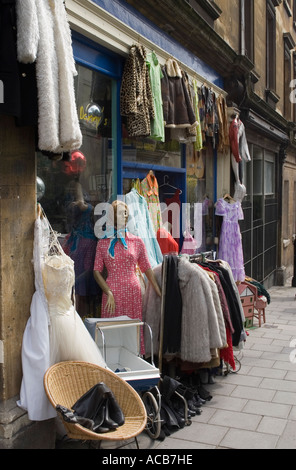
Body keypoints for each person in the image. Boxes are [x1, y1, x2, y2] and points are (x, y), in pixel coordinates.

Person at [93, 201, 161, 324]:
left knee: (132, 329)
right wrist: (107, 291)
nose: (124, 215)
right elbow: (96, 272)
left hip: (133, 291)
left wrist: (158, 290)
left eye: (125, 213)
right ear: (112, 216)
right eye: (120, 213)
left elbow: (146, 267)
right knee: (112, 328)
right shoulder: (103, 243)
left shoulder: (137, 241)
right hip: (112, 292)